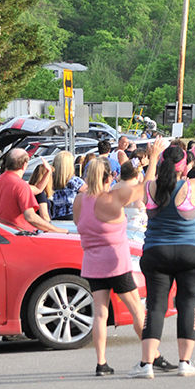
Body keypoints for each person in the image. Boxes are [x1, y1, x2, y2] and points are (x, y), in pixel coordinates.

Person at [130, 132, 195, 379]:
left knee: (155, 306)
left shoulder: (150, 187)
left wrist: (153, 158)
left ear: (163, 163)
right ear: (183, 167)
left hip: (157, 253)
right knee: (188, 304)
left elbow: (141, 188)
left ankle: (146, 365)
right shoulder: (191, 186)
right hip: (192, 252)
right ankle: (184, 362)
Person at [73, 157, 148, 376]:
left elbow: (79, 224)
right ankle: (151, 354)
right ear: (110, 177)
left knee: (100, 313)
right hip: (116, 262)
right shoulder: (111, 198)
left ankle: (101, 362)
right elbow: (144, 187)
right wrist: (152, 160)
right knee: (136, 309)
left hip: (92, 262)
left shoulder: (80, 200)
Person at [0, 149, 65, 233]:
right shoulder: (20, 185)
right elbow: (30, 217)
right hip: (18, 234)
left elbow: (38, 189)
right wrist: (57, 230)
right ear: (24, 165)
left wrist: (48, 172)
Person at [51, 151, 87, 221]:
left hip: (54, 218)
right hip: (71, 218)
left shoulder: (50, 180)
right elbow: (91, 193)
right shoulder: (75, 181)